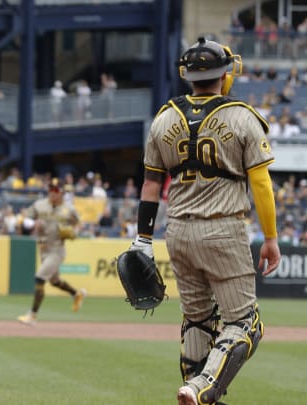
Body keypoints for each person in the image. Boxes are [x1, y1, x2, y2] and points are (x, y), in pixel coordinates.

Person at [129, 38, 281, 405]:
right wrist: (272, 239)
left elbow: (151, 183)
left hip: (178, 231)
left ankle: (193, 390)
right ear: (225, 74)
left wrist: (143, 239)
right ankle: (201, 388)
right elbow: (260, 182)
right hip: (222, 228)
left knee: (197, 319)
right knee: (245, 323)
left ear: (188, 76)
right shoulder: (243, 116)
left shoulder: (163, 118)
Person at [17, 178, 86, 326]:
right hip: (43, 248)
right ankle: (76, 294)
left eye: (55, 190)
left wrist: (73, 232)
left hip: (57, 250)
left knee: (40, 278)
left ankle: (32, 315)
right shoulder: (40, 205)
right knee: (54, 281)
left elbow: (78, 224)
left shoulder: (69, 209)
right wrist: (32, 223)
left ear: (61, 193)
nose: (52, 193)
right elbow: (26, 219)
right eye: (50, 189)